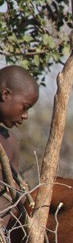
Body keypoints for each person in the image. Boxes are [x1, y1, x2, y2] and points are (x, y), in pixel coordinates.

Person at [0, 65, 39, 227]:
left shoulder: (9, 142)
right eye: (25, 107)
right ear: (5, 94)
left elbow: (12, 193)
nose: (26, 116)